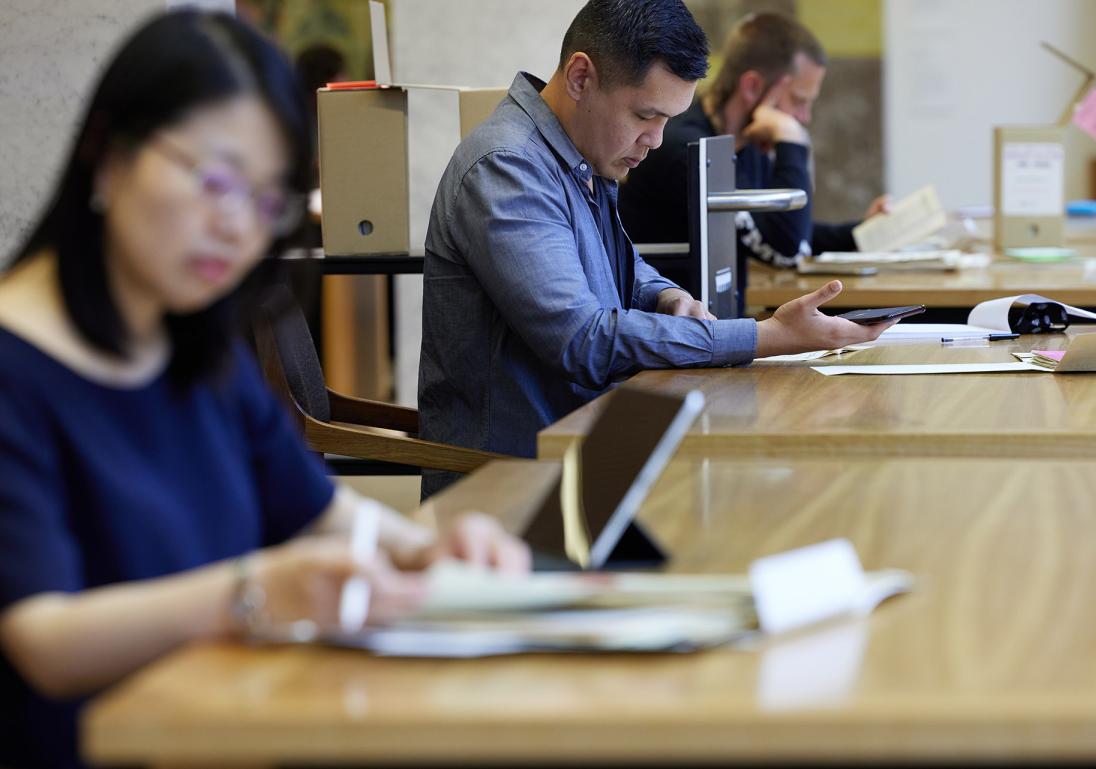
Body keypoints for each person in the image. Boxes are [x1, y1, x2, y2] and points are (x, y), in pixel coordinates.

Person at [0, 12, 528, 769]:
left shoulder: (196, 346)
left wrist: (426, 549)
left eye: (266, 200)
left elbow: (318, 512)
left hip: (227, 729)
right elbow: (43, 638)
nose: (236, 228)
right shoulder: (17, 368)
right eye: (214, 180)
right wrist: (255, 591)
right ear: (108, 155)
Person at [418, 0, 892, 497]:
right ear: (581, 77)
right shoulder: (507, 168)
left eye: (668, 119)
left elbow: (611, 263)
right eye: (646, 115)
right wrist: (766, 336)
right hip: (516, 489)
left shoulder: (579, 150)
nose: (657, 141)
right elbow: (584, 341)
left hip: (593, 452)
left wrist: (664, 294)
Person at [617, 11, 891, 315]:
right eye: (799, 100)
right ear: (751, 87)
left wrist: (863, 233)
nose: (805, 118)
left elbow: (782, 230)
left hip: (714, 332)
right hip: (672, 344)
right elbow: (786, 250)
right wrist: (791, 140)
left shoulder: (746, 143)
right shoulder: (688, 150)